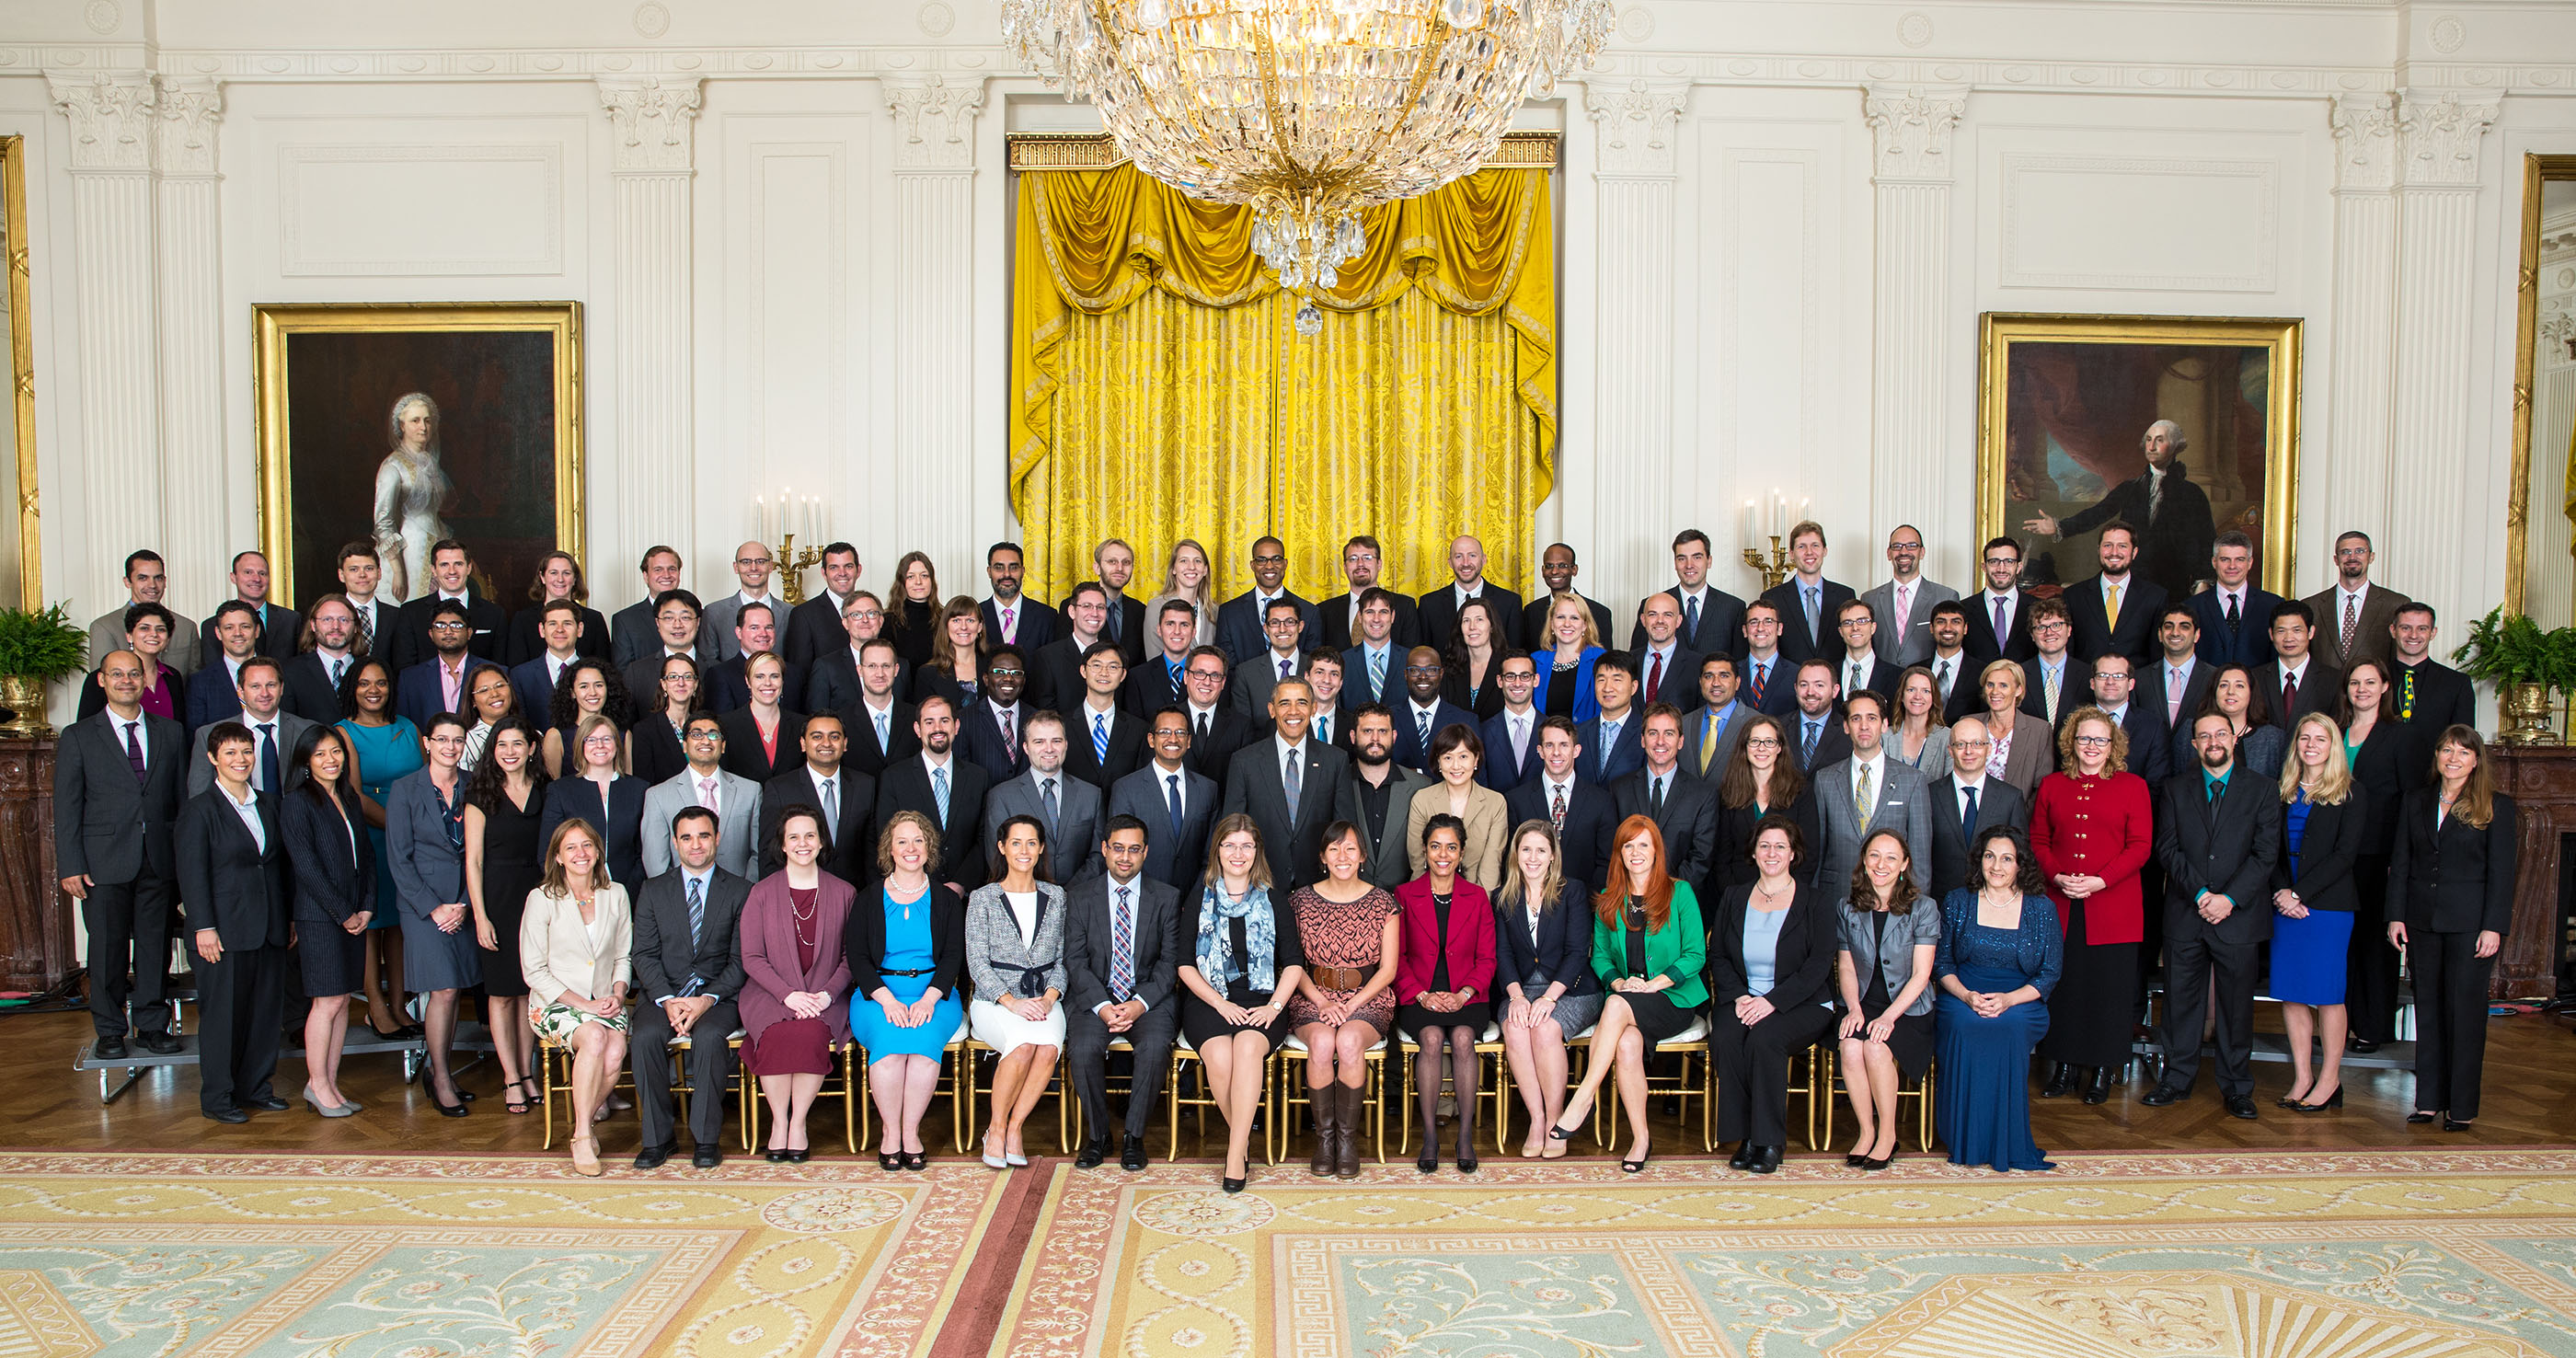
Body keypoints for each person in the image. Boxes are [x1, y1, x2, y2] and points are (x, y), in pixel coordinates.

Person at [1548, 816, 1708, 1172]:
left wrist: (1652, 985)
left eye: (1644, 845)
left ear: (1656, 851)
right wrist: (1620, 984)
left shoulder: (1679, 892)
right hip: (1627, 999)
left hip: (1673, 999)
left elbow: (1696, 953)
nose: (1636, 852)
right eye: (1628, 845)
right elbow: (1601, 957)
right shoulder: (1608, 899)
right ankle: (1641, 1139)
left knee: (1617, 1006)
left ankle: (1583, 1097)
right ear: (1619, 853)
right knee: (1627, 1044)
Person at [2144, 715, 2283, 1121]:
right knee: (2181, 1004)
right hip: (2188, 912)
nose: (2213, 741)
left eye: (2220, 734)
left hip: (2239, 917)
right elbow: (2168, 849)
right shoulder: (2174, 789)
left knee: (2237, 1007)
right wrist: (2203, 894)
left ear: (2235, 739)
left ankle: (2238, 1087)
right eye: (2204, 736)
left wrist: (2230, 899)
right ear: (2193, 744)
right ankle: (2176, 1079)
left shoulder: (2262, 790)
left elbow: (2265, 854)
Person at [55, 649, 188, 1059]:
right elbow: (66, 806)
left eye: (133, 674)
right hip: (102, 860)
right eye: (117, 674)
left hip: (159, 858)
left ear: (143, 681)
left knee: (155, 947)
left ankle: (151, 1025)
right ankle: (111, 1029)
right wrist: (71, 864)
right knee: (108, 948)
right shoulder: (78, 736)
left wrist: (184, 862)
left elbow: (182, 802)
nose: (126, 681)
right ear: (102, 681)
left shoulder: (171, 732)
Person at [2387, 725, 2515, 1132]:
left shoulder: (2497, 806)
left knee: (2465, 1012)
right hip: (2422, 921)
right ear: (2437, 756)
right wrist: (2396, 914)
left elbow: (2503, 874)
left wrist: (2493, 926)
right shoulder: (2416, 801)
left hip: (2471, 926)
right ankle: (2427, 1101)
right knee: (2428, 1011)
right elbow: (2401, 864)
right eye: (2447, 750)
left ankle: (2460, 1107)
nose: (2453, 758)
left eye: (2463, 752)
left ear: (2476, 760)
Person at [1177, 814, 1309, 1191]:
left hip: (1263, 1001)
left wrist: (1275, 1007)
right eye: (1230, 845)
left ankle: (1235, 1156)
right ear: (1217, 850)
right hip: (1210, 1001)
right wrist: (1220, 1004)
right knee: (1220, 1057)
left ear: (1257, 852)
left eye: (1246, 846)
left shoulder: (1272, 898)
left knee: (1248, 1046)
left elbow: (1294, 962)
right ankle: (1243, 1140)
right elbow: (1185, 964)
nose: (1238, 853)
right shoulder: (1199, 897)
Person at [2029, 708, 2153, 1105]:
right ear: (2072, 743)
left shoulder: (2133, 786)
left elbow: (2141, 846)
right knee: (2064, 990)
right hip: (2061, 906)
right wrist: (2058, 876)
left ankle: (2101, 1070)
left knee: (2108, 992)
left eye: (2100, 739)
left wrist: (2102, 880)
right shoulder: (2052, 785)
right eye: (2084, 739)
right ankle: (2063, 1066)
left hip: (2113, 907)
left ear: (2113, 745)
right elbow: (2038, 841)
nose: (2092, 746)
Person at [175, 721, 293, 1123]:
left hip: (269, 927)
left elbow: (277, 868)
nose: (240, 760)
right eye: (230, 753)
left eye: (246, 752)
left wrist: (288, 919)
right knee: (222, 1018)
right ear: (212, 759)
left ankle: (256, 1087)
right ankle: (219, 1097)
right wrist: (203, 926)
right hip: (221, 932)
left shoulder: (268, 804)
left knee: (264, 1014)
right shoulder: (198, 810)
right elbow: (192, 874)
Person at [1708, 815, 1839, 1174]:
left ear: (1794, 853)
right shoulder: (1735, 897)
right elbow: (1717, 954)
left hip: (1803, 1003)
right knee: (1726, 1037)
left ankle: (1769, 1141)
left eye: (1780, 846)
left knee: (1764, 1040)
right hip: (1745, 999)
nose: (1772, 852)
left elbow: (1819, 964)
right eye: (1764, 845)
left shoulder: (1816, 901)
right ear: (1753, 852)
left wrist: (1771, 1002)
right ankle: (1745, 1136)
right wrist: (1738, 996)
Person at [627, 802, 752, 1170]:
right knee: (646, 1036)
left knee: (710, 1039)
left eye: (703, 836)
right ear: (674, 842)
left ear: (716, 839)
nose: (695, 844)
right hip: (663, 993)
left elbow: (741, 959)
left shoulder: (741, 890)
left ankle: (705, 1139)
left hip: (719, 996)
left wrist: (705, 1000)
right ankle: (657, 1138)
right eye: (686, 837)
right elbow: (644, 954)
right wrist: (668, 1000)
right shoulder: (653, 890)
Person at [1933, 824, 2064, 1171]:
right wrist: (1966, 995)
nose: (1997, 866)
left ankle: (2006, 1140)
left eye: (2007, 858)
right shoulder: (1958, 900)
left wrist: (2007, 1000)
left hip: (2020, 999)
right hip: (1963, 994)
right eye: (1990, 857)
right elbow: (1942, 962)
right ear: (1980, 861)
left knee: (2008, 1026)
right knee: (1965, 1024)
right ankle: (1965, 1139)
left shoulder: (2041, 909)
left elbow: (2049, 973)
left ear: (2021, 865)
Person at [1064, 816, 1186, 1172]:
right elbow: (1075, 960)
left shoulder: (1166, 897)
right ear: (1104, 849)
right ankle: (1098, 1136)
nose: (1125, 857)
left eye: (1134, 850)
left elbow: (1168, 963)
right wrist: (1103, 1006)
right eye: (1118, 848)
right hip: (1095, 999)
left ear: (1146, 853)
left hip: (1148, 1000)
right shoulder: (1080, 896)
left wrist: (1139, 1004)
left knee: (1154, 1046)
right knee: (1083, 1047)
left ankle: (1134, 1137)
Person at [847, 811, 967, 1170]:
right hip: (877, 994)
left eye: (918, 840)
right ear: (890, 850)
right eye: (902, 841)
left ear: (929, 848)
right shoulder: (868, 898)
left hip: (935, 993)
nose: (911, 848)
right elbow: (856, 956)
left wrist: (930, 998)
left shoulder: (945, 900)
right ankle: (890, 1134)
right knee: (890, 1046)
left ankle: (911, 1133)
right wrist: (886, 1000)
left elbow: (952, 957)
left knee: (922, 1046)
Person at [1283, 820, 1400, 1178]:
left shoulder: (1384, 903)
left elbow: (1388, 969)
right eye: (1334, 849)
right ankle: (1325, 1139)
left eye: (1350, 848)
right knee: (1321, 1042)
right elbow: (1292, 963)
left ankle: (1347, 1140)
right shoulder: (1299, 900)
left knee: (1349, 1042)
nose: (1342, 856)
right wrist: (1321, 1001)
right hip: (1312, 995)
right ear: (1323, 857)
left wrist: (1351, 1004)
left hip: (1368, 997)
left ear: (1362, 855)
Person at [517, 818, 633, 1176]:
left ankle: (585, 1123)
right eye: (571, 847)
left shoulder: (617, 893)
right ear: (557, 857)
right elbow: (533, 971)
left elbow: (622, 957)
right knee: (596, 1037)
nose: (580, 853)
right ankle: (583, 1135)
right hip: (554, 1005)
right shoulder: (541, 899)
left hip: (605, 1000)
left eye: (587, 845)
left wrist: (617, 992)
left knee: (616, 1050)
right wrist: (584, 1005)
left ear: (598, 852)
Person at [741, 804, 856, 1163]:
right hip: (770, 994)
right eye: (794, 837)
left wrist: (825, 995)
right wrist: (788, 995)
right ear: (783, 845)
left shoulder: (844, 892)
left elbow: (852, 957)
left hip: (826, 995)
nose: (803, 843)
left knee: (810, 1034)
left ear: (822, 842)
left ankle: (799, 1123)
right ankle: (779, 1122)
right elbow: (752, 958)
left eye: (810, 835)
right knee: (776, 1035)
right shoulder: (760, 893)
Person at [2271, 711, 2365, 1112]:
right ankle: (2303, 1076)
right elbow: (2269, 849)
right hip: (2285, 906)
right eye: (2305, 738)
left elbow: (2345, 855)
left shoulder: (2350, 792)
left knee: (2327, 996)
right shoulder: (2281, 790)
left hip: (2327, 908)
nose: (2311, 745)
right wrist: (2281, 892)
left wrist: (2298, 894)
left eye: (2320, 739)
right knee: (2292, 995)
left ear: (2334, 747)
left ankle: (2330, 1078)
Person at [387, 712, 479, 1117]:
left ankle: (442, 1071)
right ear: (427, 742)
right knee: (440, 989)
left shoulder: (474, 786)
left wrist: (463, 902)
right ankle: (439, 1076)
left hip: (464, 902)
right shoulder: (405, 789)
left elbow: (477, 853)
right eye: (442, 740)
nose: (450, 747)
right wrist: (435, 907)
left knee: (454, 988)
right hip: (422, 907)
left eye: (457, 740)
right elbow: (398, 859)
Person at [1395, 815, 1497, 1174]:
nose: (1443, 854)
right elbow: (1399, 958)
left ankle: (1465, 1136)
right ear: (1425, 850)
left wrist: (1464, 994)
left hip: (1468, 996)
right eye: (1436, 846)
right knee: (1433, 1038)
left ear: (1462, 852)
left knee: (1465, 1038)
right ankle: (1430, 1136)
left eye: (1451, 847)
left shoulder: (1478, 897)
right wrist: (1422, 995)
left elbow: (1487, 958)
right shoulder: (1404, 895)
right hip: (1418, 996)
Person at [964, 816, 1068, 1169]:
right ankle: (994, 1129)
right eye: (1016, 843)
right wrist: (1011, 1003)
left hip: (1045, 998)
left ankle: (1014, 1128)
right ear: (1002, 847)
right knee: (1024, 1045)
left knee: (1048, 1047)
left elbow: (1063, 959)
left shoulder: (1056, 896)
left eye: (1031, 843)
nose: (1023, 851)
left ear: (1041, 849)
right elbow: (976, 963)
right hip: (995, 1002)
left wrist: (1050, 998)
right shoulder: (983, 898)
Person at [2022, 419, 2218, 604]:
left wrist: (2202, 583)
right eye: (2149, 440)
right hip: (2134, 584)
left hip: (2174, 586)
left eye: (2160, 440)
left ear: (2175, 446)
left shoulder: (2192, 494)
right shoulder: (2131, 488)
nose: (2152, 446)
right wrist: (2059, 526)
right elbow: (2097, 513)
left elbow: (2205, 541)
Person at [1493, 820, 1600, 1160]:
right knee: (1515, 1027)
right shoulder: (1503, 896)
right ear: (1516, 854)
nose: (1533, 857)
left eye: (1541, 850)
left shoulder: (1573, 891)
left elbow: (1577, 951)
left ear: (1553, 856)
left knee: (1545, 1028)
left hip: (1572, 989)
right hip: (1520, 989)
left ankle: (1556, 1121)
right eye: (1526, 849)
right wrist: (1517, 997)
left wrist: (1549, 997)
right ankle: (1536, 1120)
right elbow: (1503, 954)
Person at [281, 726, 373, 1117]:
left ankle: (329, 1084)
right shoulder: (298, 802)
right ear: (305, 762)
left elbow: (365, 858)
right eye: (320, 755)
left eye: (335, 752)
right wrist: (344, 913)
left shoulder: (348, 799)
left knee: (341, 1002)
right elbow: (307, 868)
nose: (331, 760)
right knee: (327, 1001)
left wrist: (367, 906)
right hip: (320, 918)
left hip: (353, 915)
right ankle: (316, 1085)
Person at [1835, 828, 1939, 1169]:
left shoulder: (1924, 908)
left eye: (1892, 857)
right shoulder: (1848, 907)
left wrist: (1888, 1018)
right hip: (1864, 1002)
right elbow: (1846, 965)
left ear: (1904, 864)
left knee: (1876, 1047)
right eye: (1875, 856)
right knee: (1851, 1045)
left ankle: (1888, 1135)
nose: (1882, 864)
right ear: (1864, 862)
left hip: (1908, 1008)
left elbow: (1922, 975)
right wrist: (1853, 1008)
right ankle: (1866, 1132)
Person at [463, 715, 548, 1114]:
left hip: (538, 898)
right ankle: (510, 1076)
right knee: (500, 994)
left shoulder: (545, 790)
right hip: (496, 897)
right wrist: (480, 915)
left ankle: (528, 1072)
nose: (510, 752)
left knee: (530, 990)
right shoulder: (481, 793)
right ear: (492, 751)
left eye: (517, 744)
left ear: (531, 748)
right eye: (502, 745)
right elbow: (474, 860)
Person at [337, 657, 420, 1040]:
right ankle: (375, 1007)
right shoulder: (342, 733)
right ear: (352, 688)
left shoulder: (407, 728)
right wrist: (400, 827)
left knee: (400, 924)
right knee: (371, 924)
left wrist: (414, 830)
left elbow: (424, 782)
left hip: (411, 837)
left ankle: (400, 1004)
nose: (374, 690)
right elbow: (352, 795)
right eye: (365, 683)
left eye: (382, 683)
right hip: (369, 835)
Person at [2338, 660, 2409, 1053]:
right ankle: (2343, 1023)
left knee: (2373, 944)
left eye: (2370, 682)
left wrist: (2399, 857)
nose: (2361, 688)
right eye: (2354, 682)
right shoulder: (2336, 731)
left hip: (2378, 853)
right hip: (2338, 855)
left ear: (2385, 687)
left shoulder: (2399, 736)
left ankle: (2373, 1026)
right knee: (2343, 943)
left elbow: (2409, 801)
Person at [1809, 689, 1933, 902]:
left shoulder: (1912, 780)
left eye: (1872, 718)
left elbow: (1920, 859)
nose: (1864, 726)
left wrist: (1915, 911)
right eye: (1856, 718)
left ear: (1884, 725)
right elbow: (1817, 852)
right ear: (1846, 727)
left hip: (1893, 901)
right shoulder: (1825, 779)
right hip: (1837, 898)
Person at [874, 695, 992, 888]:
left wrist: (961, 884)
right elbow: (887, 837)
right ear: (917, 729)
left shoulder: (978, 777)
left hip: (965, 894)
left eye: (944, 721)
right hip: (913, 892)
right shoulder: (894, 778)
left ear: (956, 726)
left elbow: (983, 837)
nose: (937, 728)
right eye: (929, 722)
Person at [1613, 704, 1720, 894]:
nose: (1660, 741)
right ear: (1643, 740)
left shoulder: (1703, 794)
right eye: (1653, 733)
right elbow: (1613, 850)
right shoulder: (1619, 790)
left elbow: (1701, 857)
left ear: (1680, 741)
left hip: (1678, 903)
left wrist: (1667, 893)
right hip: (1629, 898)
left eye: (1669, 734)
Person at [1924, 714, 2027, 903]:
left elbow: (2020, 860)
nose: (1969, 751)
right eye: (1961, 744)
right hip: (1939, 903)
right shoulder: (1928, 795)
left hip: (1994, 905)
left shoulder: (2010, 798)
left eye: (1977, 744)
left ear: (1989, 749)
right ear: (1950, 750)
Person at [540, 713, 650, 889]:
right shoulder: (560, 791)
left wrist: (630, 889)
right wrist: (572, 890)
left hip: (630, 890)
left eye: (607, 739)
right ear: (580, 746)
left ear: (617, 744)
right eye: (591, 740)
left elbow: (645, 850)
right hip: (574, 891)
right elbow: (548, 851)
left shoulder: (640, 790)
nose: (600, 745)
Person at [1108, 708, 1215, 889]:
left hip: (1193, 899)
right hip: (1144, 899)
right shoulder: (1126, 788)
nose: (1173, 739)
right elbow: (1120, 854)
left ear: (1188, 741)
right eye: (1164, 732)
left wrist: (1194, 899)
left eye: (1180, 732)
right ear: (1151, 739)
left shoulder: (1207, 789)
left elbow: (1210, 853)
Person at [765, 712, 875, 881]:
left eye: (834, 737)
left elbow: (872, 848)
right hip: (798, 894)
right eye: (817, 736)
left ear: (844, 744)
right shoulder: (779, 789)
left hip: (856, 895)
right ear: (803, 743)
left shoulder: (865, 785)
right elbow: (770, 853)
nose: (826, 743)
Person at [1714, 715, 1819, 892]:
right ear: (1744, 747)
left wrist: (1790, 895)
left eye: (1769, 742)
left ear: (1779, 748)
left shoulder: (1800, 792)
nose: (1761, 748)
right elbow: (1721, 857)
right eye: (1754, 741)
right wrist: (1732, 894)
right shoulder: (1729, 792)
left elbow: (1809, 854)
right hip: (1739, 892)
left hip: (1787, 894)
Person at [1405, 724, 1511, 890]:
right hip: (1428, 894)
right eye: (1448, 757)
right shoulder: (1422, 799)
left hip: (1477, 896)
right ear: (1438, 761)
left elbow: (1491, 864)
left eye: (1463, 756)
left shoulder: (1495, 803)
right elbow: (1418, 860)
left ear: (1475, 759)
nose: (1455, 766)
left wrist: (1479, 904)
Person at [372, 393, 454, 604]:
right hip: (408, 550)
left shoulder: (429, 462)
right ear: (402, 425)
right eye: (415, 421)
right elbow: (383, 522)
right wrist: (398, 570)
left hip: (436, 540)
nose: (423, 427)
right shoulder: (393, 466)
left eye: (427, 420)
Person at [385, 540, 506, 672]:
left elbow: (499, 667)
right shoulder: (411, 612)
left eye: (458, 564)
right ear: (434, 570)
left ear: (469, 568)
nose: (452, 571)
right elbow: (405, 669)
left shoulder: (494, 613)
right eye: (444, 565)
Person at [2303, 531, 2410, 673]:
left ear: (2371, 557)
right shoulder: (2311, 606)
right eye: (2345, 552)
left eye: (2359, 551)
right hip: (2323, 693)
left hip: (2374, 693)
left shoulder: (2395, 604)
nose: (2352, 557)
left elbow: (2400, 660)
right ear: (2336, 559)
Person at [2060, 524, 2167, 665]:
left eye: (2122, 546)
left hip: (2136, 684)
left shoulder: (2155, 596)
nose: (2114, 552)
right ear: (2099, 550)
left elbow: (2157, 655)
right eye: (2108, 545)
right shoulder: (2073, 596)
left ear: (2134, 553)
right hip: (2086, 683)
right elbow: (2069, 652)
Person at [1758, 521, 1856, 671]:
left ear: (1825, 550)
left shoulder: (1845, 595)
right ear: (1791, 554)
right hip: (1788, 683)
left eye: (1815, 545)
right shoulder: (1772, 598)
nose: (1809, 552)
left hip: (1834, 684)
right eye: (1801, 546)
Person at [1631, 529, 1744, 657]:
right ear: (1675, 563)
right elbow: (1637, 659)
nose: (1689, 565)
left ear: (1709, 561)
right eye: (1682, 559)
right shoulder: (1651, 604)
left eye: (1697, 557)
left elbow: (1739, 661)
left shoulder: (1733, 607)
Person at [89, 549, 203, 674]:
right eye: (143, 578)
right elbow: (101, 684)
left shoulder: (186, 627)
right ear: (127, 582)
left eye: (158, 578)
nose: (152, 585)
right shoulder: (105, 627)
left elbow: (195, 682)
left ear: (165, 582)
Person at [1861, 525, 1960, 669]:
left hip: (1927, 684)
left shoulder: (1945, 596)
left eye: (1912, 546)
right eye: (1897, 546)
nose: (1904, 552)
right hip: (1883, 686)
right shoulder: (1870, 599)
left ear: (1922, 552)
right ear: (1889, 554)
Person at [77, 603, 189, 725]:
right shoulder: (101, 678)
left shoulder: (173, 676)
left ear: (167, 639)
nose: (154, 634)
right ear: (129, 636)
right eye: (145, 628)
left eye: (160, 629)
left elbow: (180, 727)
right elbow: (85, 731)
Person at [1213, 535, 1318, 663]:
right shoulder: (1229, 613)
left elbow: (1312, 666)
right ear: (1252, 565)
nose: (1269, 566)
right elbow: (1226, 666)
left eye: (1276, 559)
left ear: (1285, 564)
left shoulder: (1310, 612)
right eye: (1261, 560)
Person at [2179, 663, 2285, 780]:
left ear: (2251, 692)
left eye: (2239, 686)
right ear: (2214, 691)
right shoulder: (2190, 729)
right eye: (2223, 685)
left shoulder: (2273, 738)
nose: (2230, 692)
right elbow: (2178, 781)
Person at [394, 600, 489, 731]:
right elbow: (404, 729)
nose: (448, 631)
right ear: (431, 634)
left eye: (456, 625)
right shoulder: (410, 678)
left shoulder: (492, 671)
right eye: (440, 626)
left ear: (469, 633)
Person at [1419, 534, 1524, 651]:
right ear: (1450, 562)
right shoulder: (1429, 604)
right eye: (1459, 556)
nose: (1465, 563)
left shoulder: (1510, 602)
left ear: (1483, 560)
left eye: (1472, 555)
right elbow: (1425, 655)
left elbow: (1515, 653)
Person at [1062, 640, 1145, 788]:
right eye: (1096, 665)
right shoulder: (1062, 725)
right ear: (1083, 671)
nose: (1104, 673)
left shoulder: (1138, 729)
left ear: (1123, 674)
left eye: (1113, 667)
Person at [504, 551, 611, 665]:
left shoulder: (594, 619)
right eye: (554, 573)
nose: (560, 579)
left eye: (566, 573)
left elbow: (604, 668)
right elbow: (517, 669)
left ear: (575, 579)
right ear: (542, 577)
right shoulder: (523, 620)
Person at [612, 547, 710, 672]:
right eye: (658, 570)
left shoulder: (700, 615)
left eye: (672, 569)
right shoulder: (625, 620)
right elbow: (622, 672)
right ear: (646, 576)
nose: (666, 575)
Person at [1321, 535, 1422, 652]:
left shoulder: (1404, 606)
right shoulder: (1325, 610)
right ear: (1344, 567)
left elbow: (1412, 657)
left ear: (1379, 564)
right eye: (1353, 559)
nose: (1360, 564)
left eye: (1367, 558)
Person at [719, 651, 809, 783]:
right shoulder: (725, 724)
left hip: (791, 802)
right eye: (759, 677)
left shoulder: (802, 724)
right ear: (748, 681)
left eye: (774, 676)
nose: (767, 683)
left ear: (783, 681)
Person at [1390, 646, 1480, 774]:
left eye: (1431, 670)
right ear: (1406, 674)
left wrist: (1418, 772)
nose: (1423, 676)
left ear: (1441, 674)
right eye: (1415, 670)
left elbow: (1477, 775)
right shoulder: (1388, 718)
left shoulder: (1466, 721)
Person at [841, 638, 922, 778]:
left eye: (886, 666)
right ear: (860, 670)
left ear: (896, 670)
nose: (879, 674)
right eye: (872, 666)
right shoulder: (842, 720)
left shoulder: (915, 717)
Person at [537, 659, 630, 779]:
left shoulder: (624, 735)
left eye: (598, 685)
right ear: (572, 693)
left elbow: (629, 785)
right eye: (584, 686)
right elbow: (552, 788)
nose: (592, 692)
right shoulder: (556, 736)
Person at [1974, 661, 2055, 793]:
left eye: (2003, 686)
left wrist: (2018, 813)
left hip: (2018, 811)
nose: (1995, 691)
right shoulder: (1969, 723)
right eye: (1990, 685)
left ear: (2018, 690)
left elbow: (2041, 787)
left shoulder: (2039, 730)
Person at [283, 593, 364, 726]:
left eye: (343, 620)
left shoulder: (370, 669)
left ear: (355, 627)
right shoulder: (291, 671)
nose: (335, 626)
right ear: (313, 625)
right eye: (327, 619)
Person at [957, 647, 1031, 784]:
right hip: (985, 802)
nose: (1008, 678)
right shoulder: (964, 719)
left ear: (1024, 680)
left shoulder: (1036, 718)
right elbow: (962, 774)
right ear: (986, 679)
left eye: (1016, 673)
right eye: (999, 672)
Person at [704, 540, 787, 664]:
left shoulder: (791, 612)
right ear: (736, 567)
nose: (754, 568)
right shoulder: (714, 613)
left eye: (760, 561)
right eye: (746, 562)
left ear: (770, 566)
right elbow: (708, 661)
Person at [2267, 601, 2343, 733]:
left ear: (2311, 632)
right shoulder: (2255, 678)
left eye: (2297, 630)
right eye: (2281, 631)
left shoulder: (2333, 680)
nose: (2289, 638)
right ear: (2271, 634)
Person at [622, 590, 710, 701]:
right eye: (669, 618)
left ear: (697, 622)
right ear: (658, 623)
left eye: (685, 617)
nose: (677, 625)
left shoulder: (715, 669)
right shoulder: (637, 673)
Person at [1529, 593, 1605, 721]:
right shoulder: (1535, 661)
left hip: (1585, 738)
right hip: (1543, 738)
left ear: (1585, 625)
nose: (1567, 624)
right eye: (1560, 617)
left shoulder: (1600, 659)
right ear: (1552, 624)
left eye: (1574, 618)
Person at [630, 654, 702, 788]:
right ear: (664, 684)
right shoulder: (645, 730)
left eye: (687, 677)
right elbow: (644, 785)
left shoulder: (706, 726)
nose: (681, 683)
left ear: (695, 684)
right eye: (673, 677)